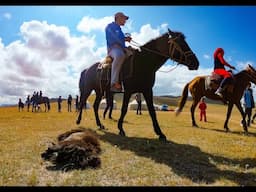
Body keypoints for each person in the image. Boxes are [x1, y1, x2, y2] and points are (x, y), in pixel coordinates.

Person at [105, 12, 132, 92]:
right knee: (120, 55)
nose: (125, 21)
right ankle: (113, 84)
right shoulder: (110, 26)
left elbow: (120, 39)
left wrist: (125, 41)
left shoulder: (119, 29)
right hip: (113, 49)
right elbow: (113, 38)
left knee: (134, 54)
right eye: (124, 19)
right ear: (118, 17)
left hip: (121, 48)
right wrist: (124, 39)